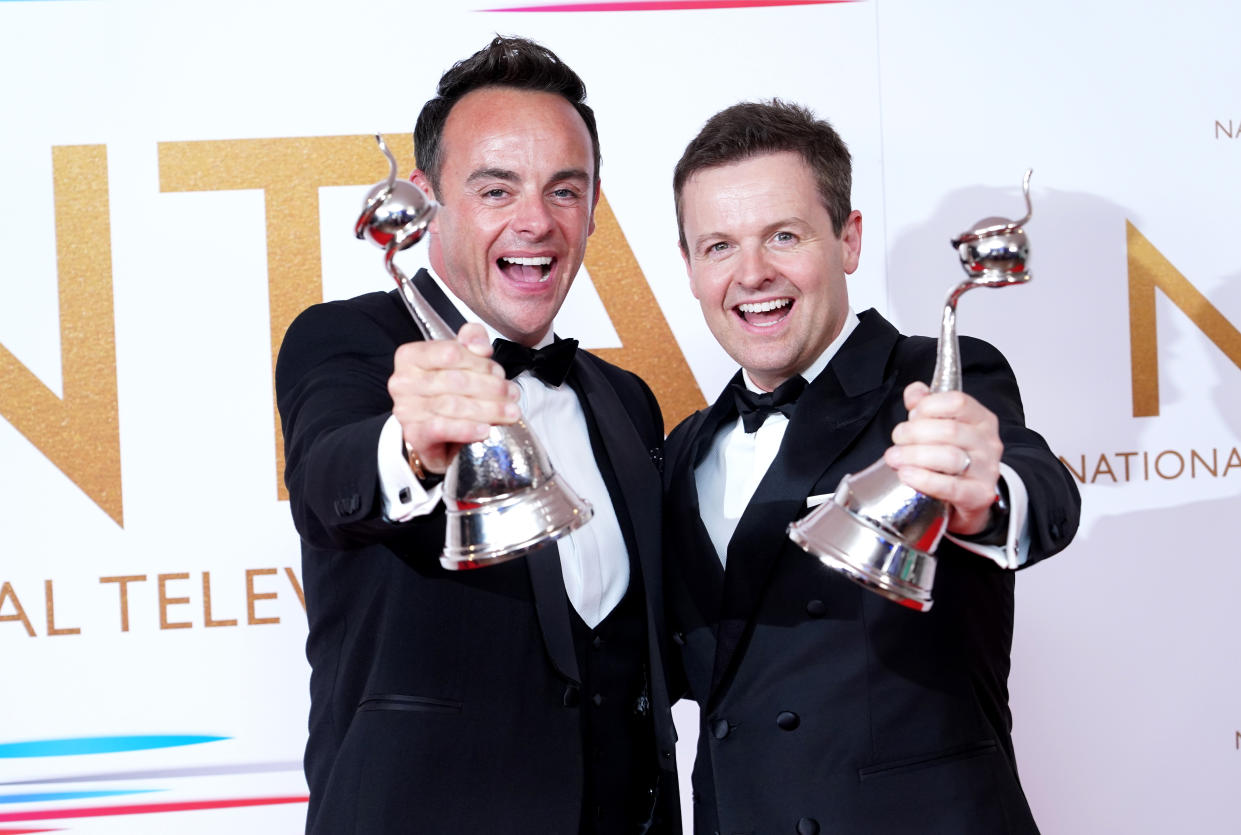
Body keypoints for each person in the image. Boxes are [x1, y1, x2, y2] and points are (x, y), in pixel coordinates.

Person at [276, 36, 679, 835]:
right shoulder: (347, 341)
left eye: (564, 191)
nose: (536, 221)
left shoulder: (624, 399)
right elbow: (330, 479)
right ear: (427, 201)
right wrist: (413, 443)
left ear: (595, 208)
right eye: (497, 190)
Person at [662, 100, 1080, 834]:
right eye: (719, 246)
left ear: (846, 240)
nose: (751, 273)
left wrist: (981, 495)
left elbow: (1032, 486)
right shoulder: (683, 446)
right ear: (691, 268)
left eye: (783, 235)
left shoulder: (933, 376)